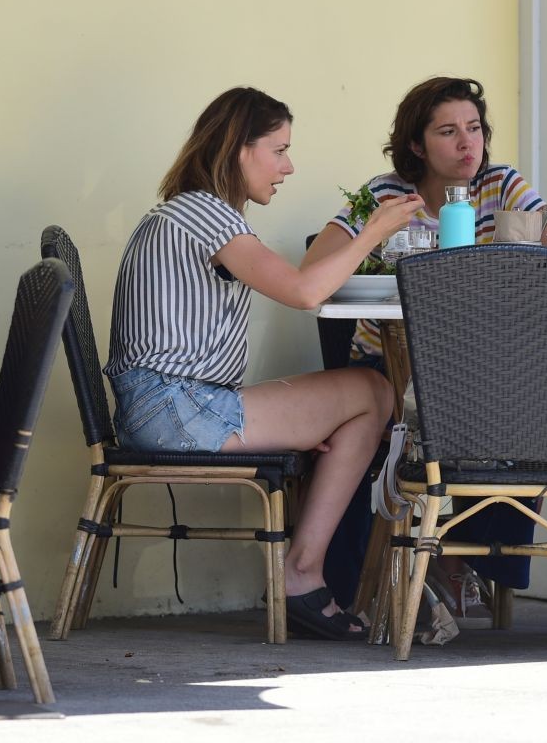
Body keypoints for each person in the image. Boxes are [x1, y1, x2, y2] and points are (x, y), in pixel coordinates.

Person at [103, 87, 418, 641]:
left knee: (364, 399)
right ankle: (302, 575)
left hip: (171, 404)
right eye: (279, 150)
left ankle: (305, 571)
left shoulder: (189, 212)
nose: (288, 166)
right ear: (237, 149)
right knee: (372, 392)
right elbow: (303, 291)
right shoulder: (205, 213)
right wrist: (374, 231)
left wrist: (300, 423)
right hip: (176, 410)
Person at [303, 76, 547, 617]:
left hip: (478, 367)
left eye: (475, 129)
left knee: (521, 417)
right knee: (374, 434)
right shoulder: (385, 193)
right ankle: (350, 591)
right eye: (448, 131)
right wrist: (372, 234)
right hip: (388, 368)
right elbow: (311, 272)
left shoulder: (503, 186)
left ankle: (460, 561)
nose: (469, 143)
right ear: (417, 144)